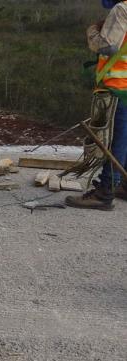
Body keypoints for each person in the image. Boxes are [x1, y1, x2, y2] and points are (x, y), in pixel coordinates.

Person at [66, 0, 127, 210]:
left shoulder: (122, 10)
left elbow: (109, 46)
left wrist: (92, 32)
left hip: (119, 87)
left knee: (116, 140)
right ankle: (123, 185)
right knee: (126, 138)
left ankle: (105, 192)